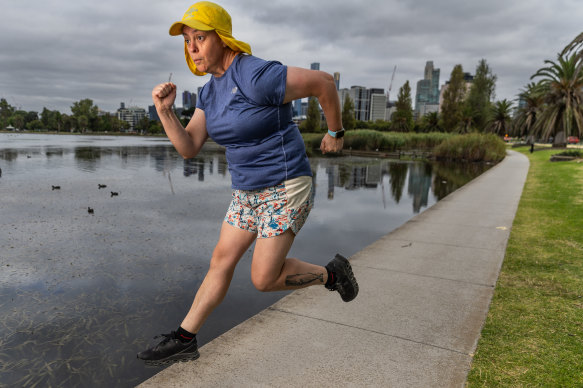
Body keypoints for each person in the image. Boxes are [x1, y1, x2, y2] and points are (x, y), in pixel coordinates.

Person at [137, 1, 358, 366]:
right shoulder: (209, 92)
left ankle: (331, 273)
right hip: (246, 191)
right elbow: (189, 146)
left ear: (222, 39)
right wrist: (164, 111)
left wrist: (335, 131)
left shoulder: (256, 74)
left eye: (200, 38)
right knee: (221, 260)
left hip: (285, 185)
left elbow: (324, 83)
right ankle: (184, 339)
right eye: (187, 40)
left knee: (263, 278)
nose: (192, 48)